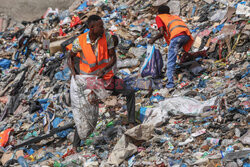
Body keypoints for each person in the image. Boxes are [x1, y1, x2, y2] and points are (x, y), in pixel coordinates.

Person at [67, 15, 136, 151]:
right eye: (100, 26)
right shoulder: (80, 41)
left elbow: (113, 57)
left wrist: (104, 69)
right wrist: (73, 72)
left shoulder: (107, 37)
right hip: (88, 82)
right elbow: (70, 56)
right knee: (85, 112)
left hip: (105, 79)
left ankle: (132, 124)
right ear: (92, 28)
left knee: (130, 92)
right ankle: (75, 146)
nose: (103, 28)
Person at [149, 5, 194, 88]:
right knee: (176, 53)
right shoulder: (174, 16)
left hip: (177, 37)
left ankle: (170, 84)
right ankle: (187, 72)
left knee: (171, 60)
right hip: (187, 35)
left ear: (159, 12)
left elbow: (162, 32)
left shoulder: (159, 17)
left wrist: (153, 39)